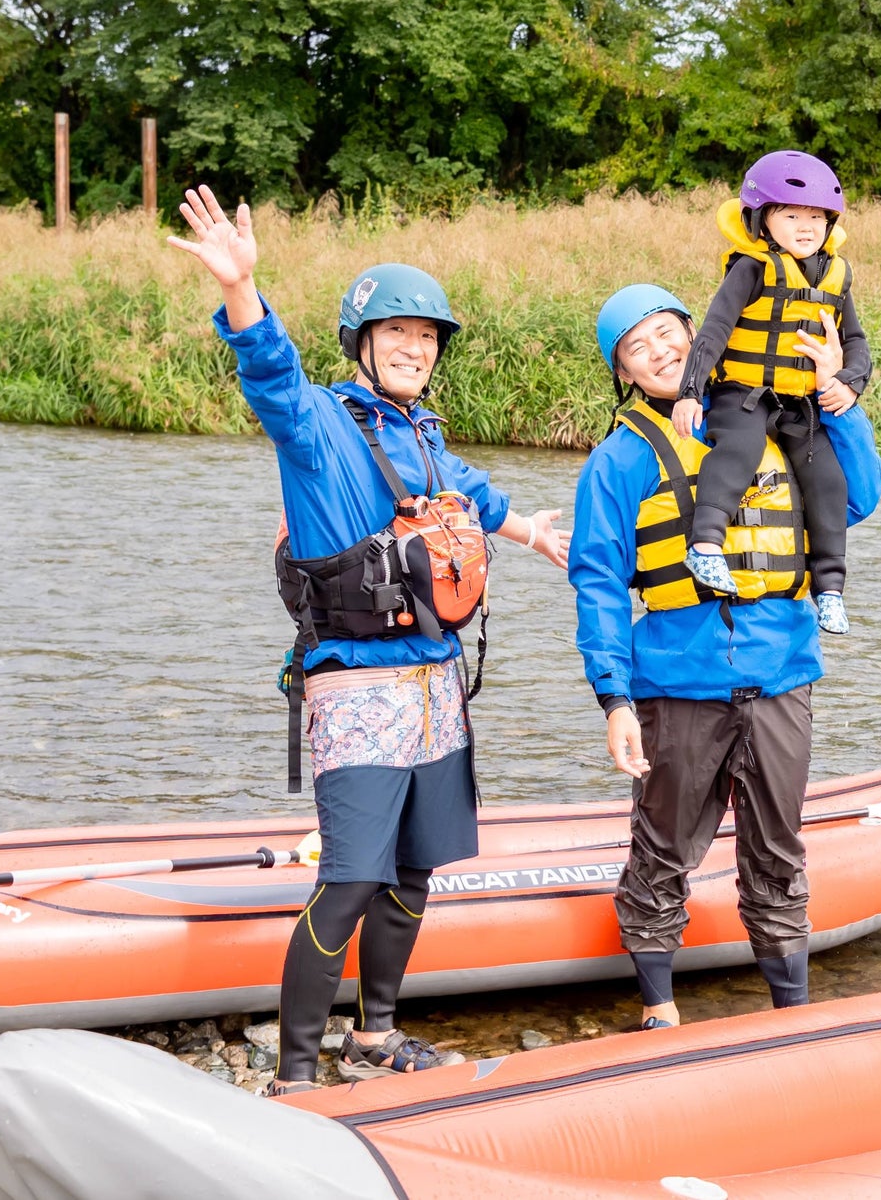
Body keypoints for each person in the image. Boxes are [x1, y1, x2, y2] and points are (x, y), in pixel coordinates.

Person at [167, 186, 570, 1095]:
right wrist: (242, 289)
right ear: (362, 343)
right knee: (350, 879)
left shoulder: (424, 438)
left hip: (436, 685)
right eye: (396, 334)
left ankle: (377, 1037)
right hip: (356, 686)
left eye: (427, 338)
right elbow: (267, 369)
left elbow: (477, 496)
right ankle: (297, 1072)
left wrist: (528, 533)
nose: (413, 349)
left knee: (414, 871)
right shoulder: (318, 427)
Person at [571, 282, 881, 1029]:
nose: (660, 352)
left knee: (777, 850)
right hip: (679, 684)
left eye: (667, 333)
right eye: (637, 347)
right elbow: (599, 583)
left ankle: (790, 1014)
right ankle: (659, 1007)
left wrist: (837, 396)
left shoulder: (776, 418)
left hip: (780, 675)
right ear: (623, 372)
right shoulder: (620, 460)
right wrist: (614, 697)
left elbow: (860, 497)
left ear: (696, 335)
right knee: (663, 848)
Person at [674, 150, 874, 635]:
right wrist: (690, 391)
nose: (806, 226)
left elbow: (856, 343)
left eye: (816, 217)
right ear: (762, 219)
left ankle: (828, 588)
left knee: (827, 477)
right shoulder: (751, 267)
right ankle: (704, 546)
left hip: (798, 405)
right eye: (790, 215)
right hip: (741, 393)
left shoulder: (837, 277)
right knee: (740, 447)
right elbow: (714, 330)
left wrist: (850, 383)